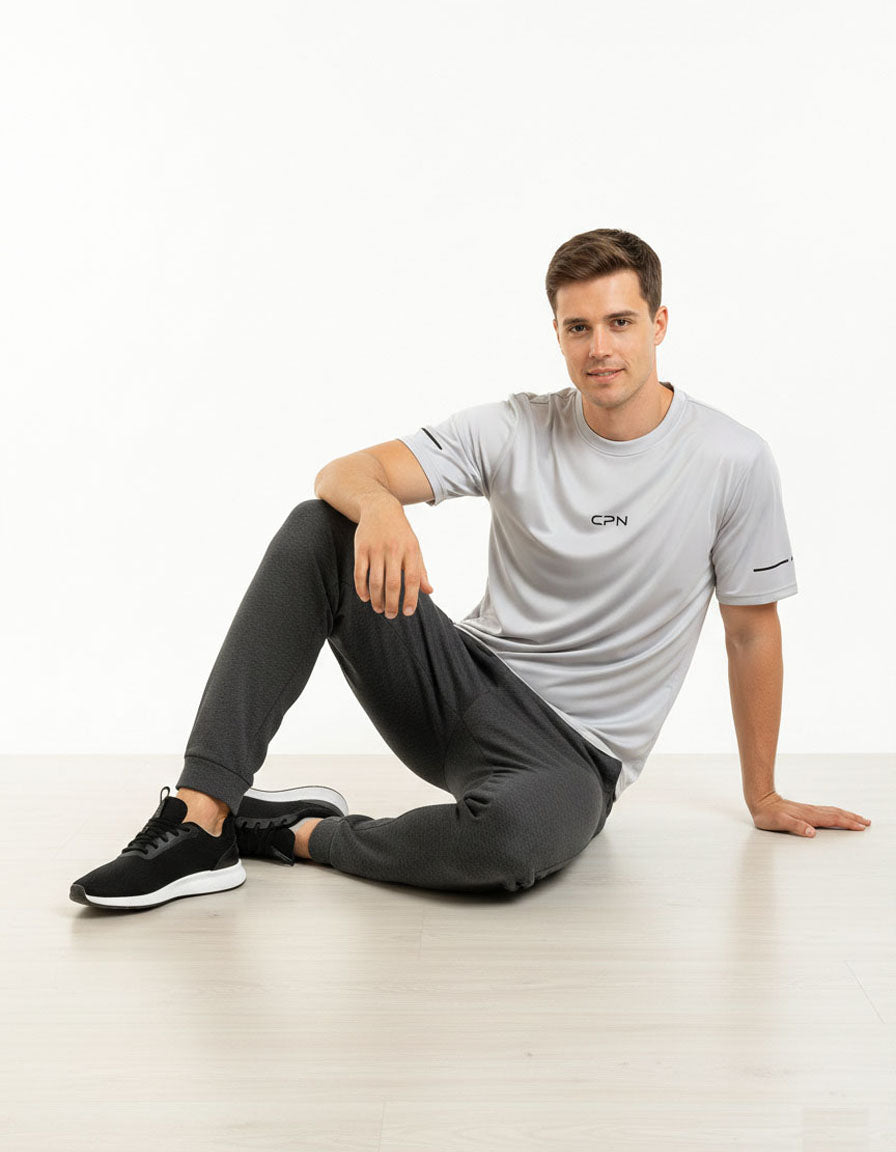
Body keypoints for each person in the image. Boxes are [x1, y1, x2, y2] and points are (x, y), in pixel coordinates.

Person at [70, 227, 871, 911]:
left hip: (574, 757)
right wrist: (380, 506)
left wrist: (762, 794)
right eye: (579, 327)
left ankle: (297, 834)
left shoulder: (732, 459)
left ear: (659, 323)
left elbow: (750, 632)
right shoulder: (516, 428)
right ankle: (201, 816)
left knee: (514, 842)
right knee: (321, 528)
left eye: (621, 322)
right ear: (557, 334)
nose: (600, 348)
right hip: (461, 689)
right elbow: (343, 472)